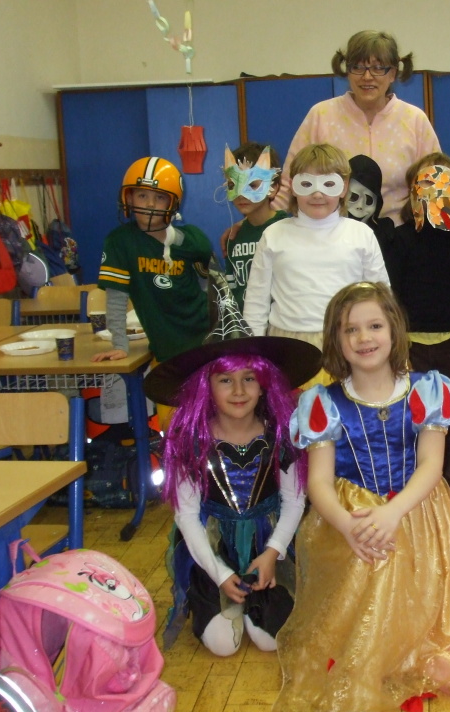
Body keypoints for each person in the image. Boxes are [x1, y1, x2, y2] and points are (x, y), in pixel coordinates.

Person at [275, 282, 450, 712]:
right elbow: (319, 483)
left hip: (413, 509)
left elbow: (431, 465)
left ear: (394, 329)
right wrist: (347, 526)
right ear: (335, 339)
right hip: (348, 516)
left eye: (374, 326)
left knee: (391, 558)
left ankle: (397, 651)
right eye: (350, 329)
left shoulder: (427, 389)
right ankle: (368, 652)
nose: (364, 338)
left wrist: (392, 513)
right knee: (371, 560)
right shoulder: (324, 402)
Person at [145, 277, 322, 656]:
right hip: (214, 547)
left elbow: (294, 501)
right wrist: (221, 572)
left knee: (271, 641)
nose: (239, 391)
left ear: (264, 384)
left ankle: (258, 602)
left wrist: (273, 553)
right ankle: (218, 596)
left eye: (249, 379)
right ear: (206, 387)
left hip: (267, 544)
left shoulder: (280, 435)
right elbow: (186, 515)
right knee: (222, 646)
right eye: (225, 380)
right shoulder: (192, 442)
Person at [384, 152, 450, 482]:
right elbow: (393, 297)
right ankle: (415, 488)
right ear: (413, 191)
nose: (436, 192)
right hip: (410, 344)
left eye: (445, 185)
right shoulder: (400, 239)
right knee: (412, 418)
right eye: (427, 184)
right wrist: (394, 346)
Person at [242, 144, 389, 349]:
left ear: (344, 187)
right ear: (293, 186)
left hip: (348, 342)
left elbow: (381, 297)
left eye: (328, 184)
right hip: (288, 344)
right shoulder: (273, 235)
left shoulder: (361, 235)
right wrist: (252, 352)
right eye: (307, 184)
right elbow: (256, 304)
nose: (317, 194)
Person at [285, 30, 439, 224]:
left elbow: (437, 186)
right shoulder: (321, 115)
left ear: (392, 73)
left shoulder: (415, 119)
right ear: (347, 71)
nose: (367, 76)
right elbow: (290, 180)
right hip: (333, 233)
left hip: (399, 235)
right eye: (357, 67)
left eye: (378, 68)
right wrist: (268, 224)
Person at [93, 156, 213, 364]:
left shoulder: (191, 240)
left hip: (206, 338)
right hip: (166, 346)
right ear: (129, 198)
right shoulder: (120, 242)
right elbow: (116, 299)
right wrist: (120, 345)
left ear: (172, 202)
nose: (150, 204)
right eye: (142, 195)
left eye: (159, 197)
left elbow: (211, 288)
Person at [218, 142, 290, 314]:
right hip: (246, 323)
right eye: (233, 185)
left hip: (279, 322)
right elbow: (232, 286)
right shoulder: (233, 237)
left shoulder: (288, 230)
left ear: (273, 188)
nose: (241, 194)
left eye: (252, 185)